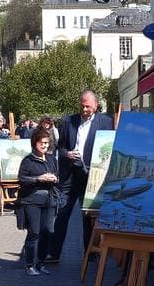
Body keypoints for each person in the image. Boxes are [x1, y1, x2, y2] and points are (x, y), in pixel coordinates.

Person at [44, 90, 114, 264]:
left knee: (88, 216)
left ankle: (90, 253)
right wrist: (67, 154)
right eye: (82, 106)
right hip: (69, 175)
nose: (84, 109)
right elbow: (60, 148)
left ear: (96, 105)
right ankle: (54, 253)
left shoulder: (105, 122)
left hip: (90, 176)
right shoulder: (69, 121)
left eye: (88, 106)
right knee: (62, 213)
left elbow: (109, 147)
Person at [17, 128, 59, 276]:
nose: (45, 146)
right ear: (35, 143)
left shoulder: (51, 159)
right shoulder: (28, 160)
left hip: (49, 200)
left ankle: (40, 263)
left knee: (47, 232)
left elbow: (57, 176)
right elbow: (21, 179)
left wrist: (54, 178)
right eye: (42, 143)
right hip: (32, 200)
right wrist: (38, 179)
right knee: (34, 232)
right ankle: (29, 264)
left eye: (47, 143)